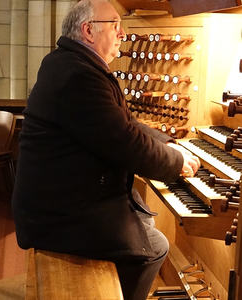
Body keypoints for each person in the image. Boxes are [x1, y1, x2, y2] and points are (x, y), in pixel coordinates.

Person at [12, 0, 200, 299]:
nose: (122, 33)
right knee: (155, 246)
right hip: (59, 215)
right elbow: (125, 143)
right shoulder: (79, 76)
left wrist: (167, 143)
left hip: (61, 200)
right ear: (88, 30)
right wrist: (176, 163)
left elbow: (122, 123)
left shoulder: (70, 63)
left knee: (143, 218)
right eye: (114, 25)